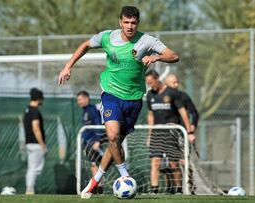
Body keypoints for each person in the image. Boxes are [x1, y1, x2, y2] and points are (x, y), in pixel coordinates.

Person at [58, 6, 179, 199]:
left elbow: (174, 55)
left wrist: (156, 56)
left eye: (133, 23)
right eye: (126, 22)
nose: (130, 26)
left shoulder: (147, 40)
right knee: (112, 136)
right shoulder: (107, 37)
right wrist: (68, 66)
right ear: (120, 22)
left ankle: (95, 180)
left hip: (133, 99)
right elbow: (85, 45)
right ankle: (126, 177)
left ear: (137, 23)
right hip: (111, 95)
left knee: (115, 144)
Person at [145, 70, 195, 194]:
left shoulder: (172, 93)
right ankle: (154, 189)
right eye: (148, 83)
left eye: (151, 82)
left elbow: (183, 113)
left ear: (157, 79)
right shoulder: (150, 95)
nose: (150, 85)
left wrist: (189, 132)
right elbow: (151, 116)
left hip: (172, 132)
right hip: (157, 132)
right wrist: (149, 135)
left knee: (173, 163)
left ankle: (178, 189)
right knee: (155, 161)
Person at [164, 74, 198, 194]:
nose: (177, 85)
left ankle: (190, 186)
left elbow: (194, 113)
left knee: (184, 161)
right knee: (170, 163)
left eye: (177, 82)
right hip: (167, 134)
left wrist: (191, 130)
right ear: (166, 84)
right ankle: (172, 188)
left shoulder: (183, 97)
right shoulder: (162, 97)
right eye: (174, 82)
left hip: (182, 133)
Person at [76, 90, 104, 194]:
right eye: (77, 100)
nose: (78, 102)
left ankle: (99, 188)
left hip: (94, 142)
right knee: (94, 164)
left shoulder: (92, 110)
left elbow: (98, 125)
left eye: (80, 99)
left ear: (86, 98)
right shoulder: (85, 111)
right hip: (87, 143)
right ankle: (97, 187)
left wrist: (98, 141)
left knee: (98, 165)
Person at [23, 88, 47, 195]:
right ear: (38, 98)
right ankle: (29, 189)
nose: (42, 100)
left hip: (29, 142)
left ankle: (29, 188)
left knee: (32, 167)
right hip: (35, 143)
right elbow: (36, 128)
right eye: (41, 98)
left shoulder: (27, 109)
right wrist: (42, 144)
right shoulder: (35, 111)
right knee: (35, 168)